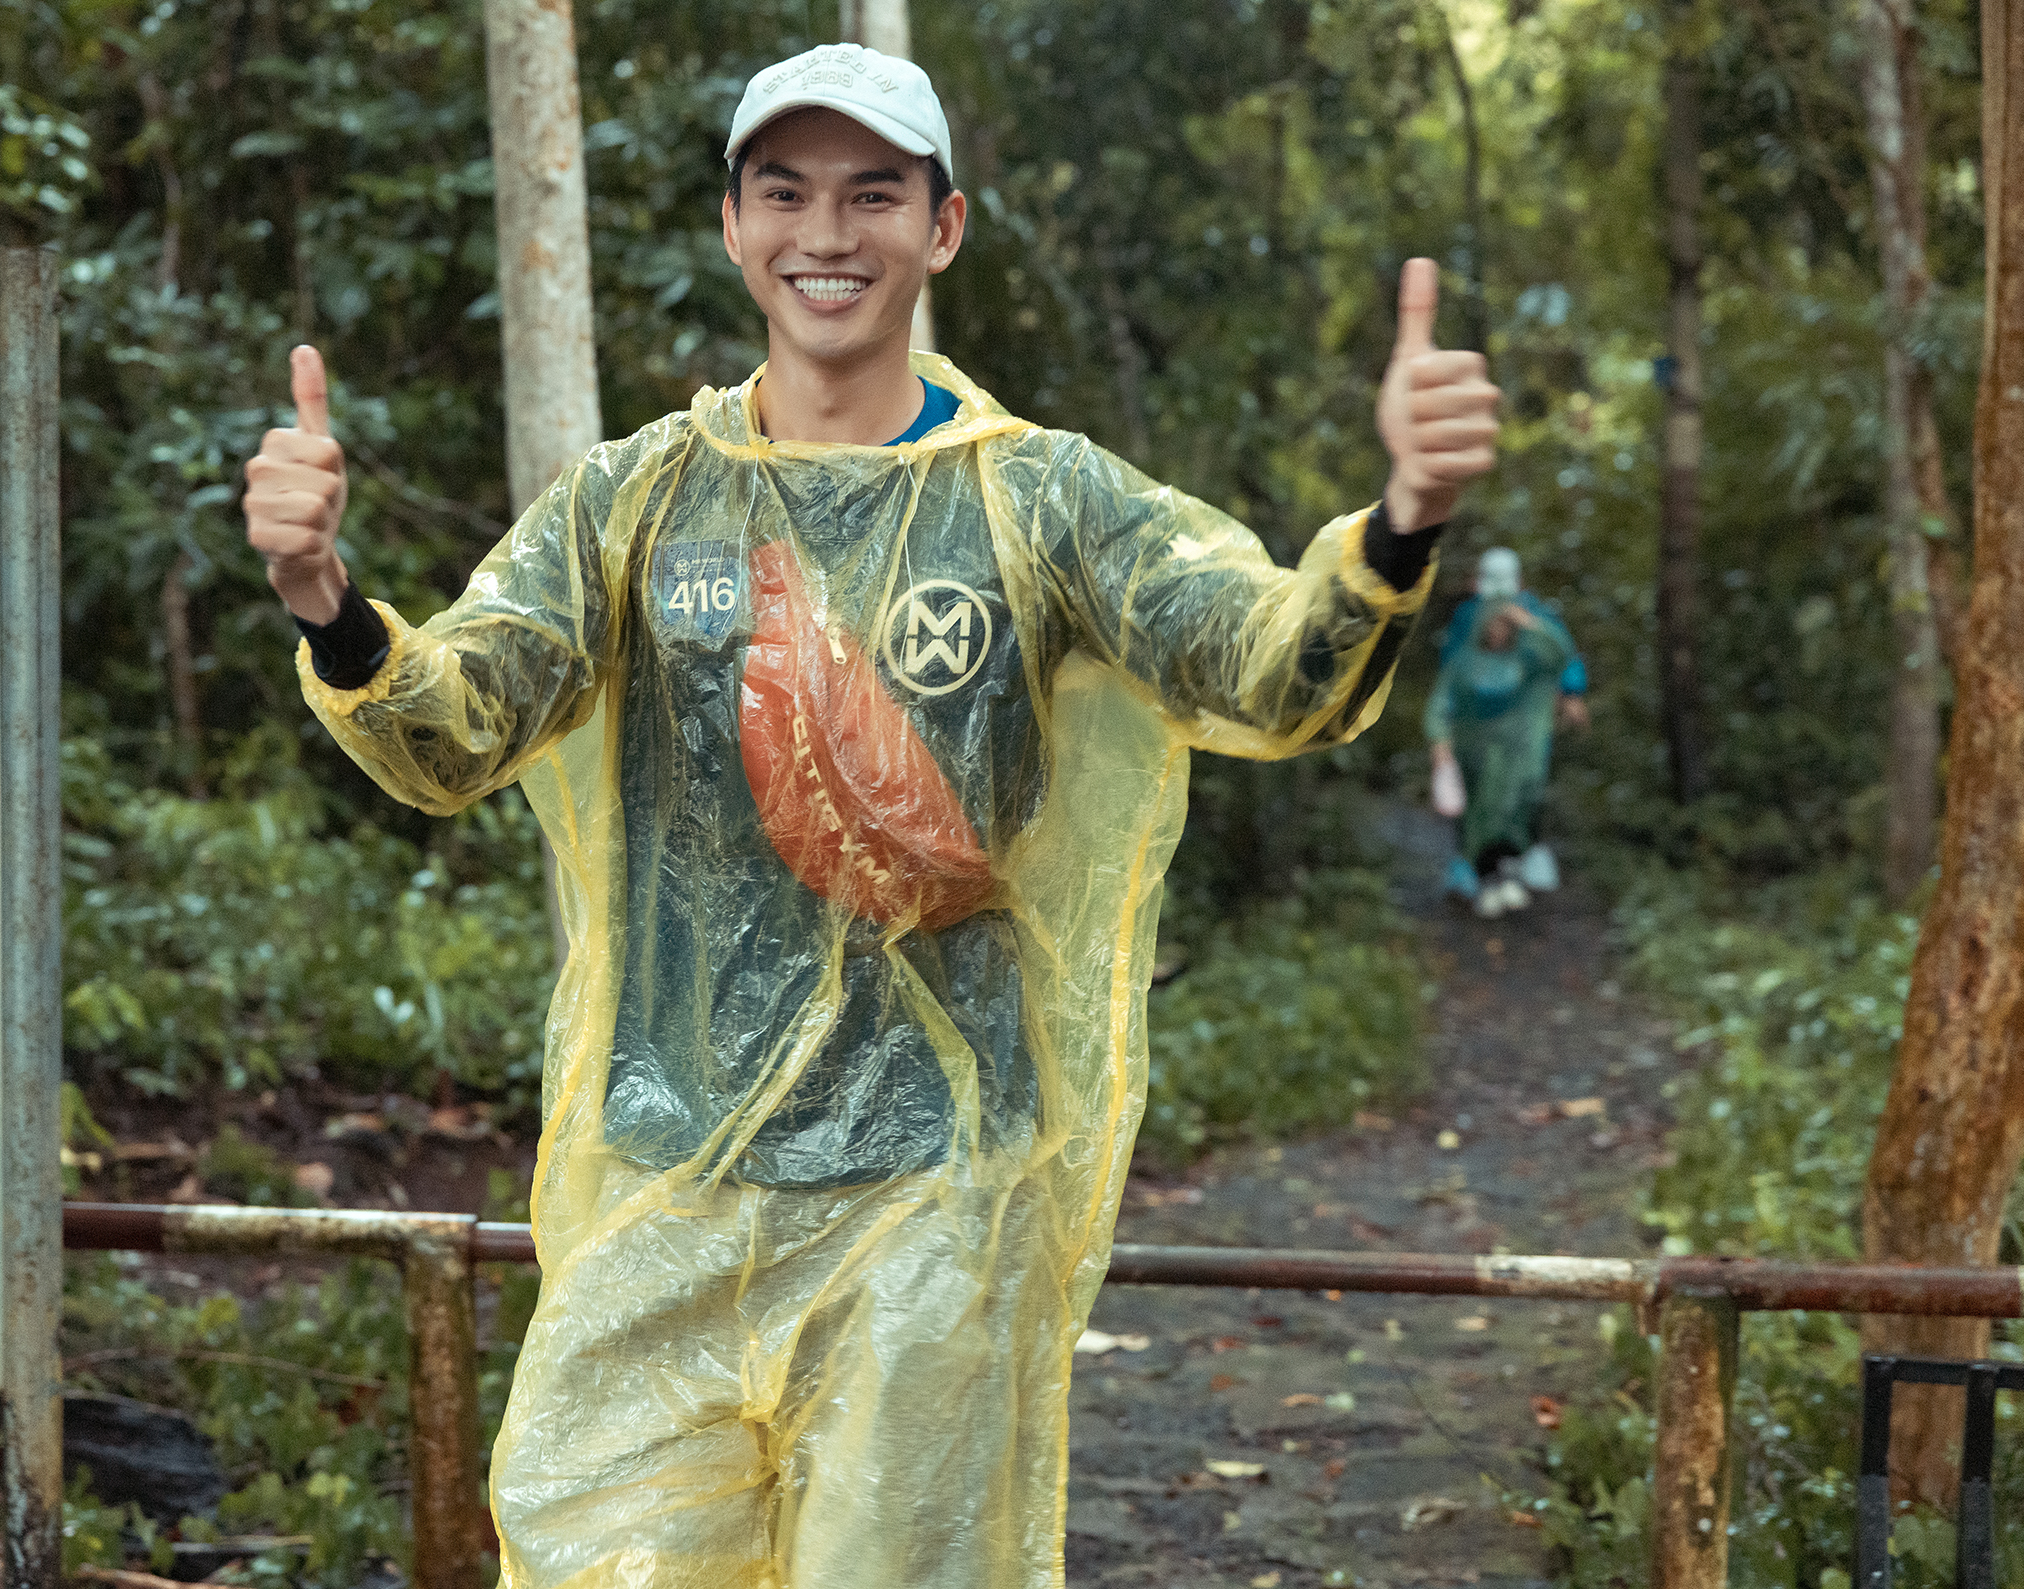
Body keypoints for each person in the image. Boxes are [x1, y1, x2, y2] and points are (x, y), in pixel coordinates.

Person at [242, 42, 1500, 1588]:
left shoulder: (1040, 499)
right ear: (730, 225)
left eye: (870, 196)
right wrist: (324, 601)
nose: (824, 235)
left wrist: (1394, 527)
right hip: (668, 1182)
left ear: (942, 227)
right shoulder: (631, 501)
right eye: (784, 193)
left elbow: (1257, 666)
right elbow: (453, 734)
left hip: (931, 1203)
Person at [1435, 546, 1586, 899]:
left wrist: (1572, 691)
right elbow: (1452, 668)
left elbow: (1562, 653)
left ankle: (1518, 861)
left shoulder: (1536, 614)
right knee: (1475, 794)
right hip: (1477, 725)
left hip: (1526, 727)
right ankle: (1471, 865)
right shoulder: (1468, 617)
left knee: (1525, 790)